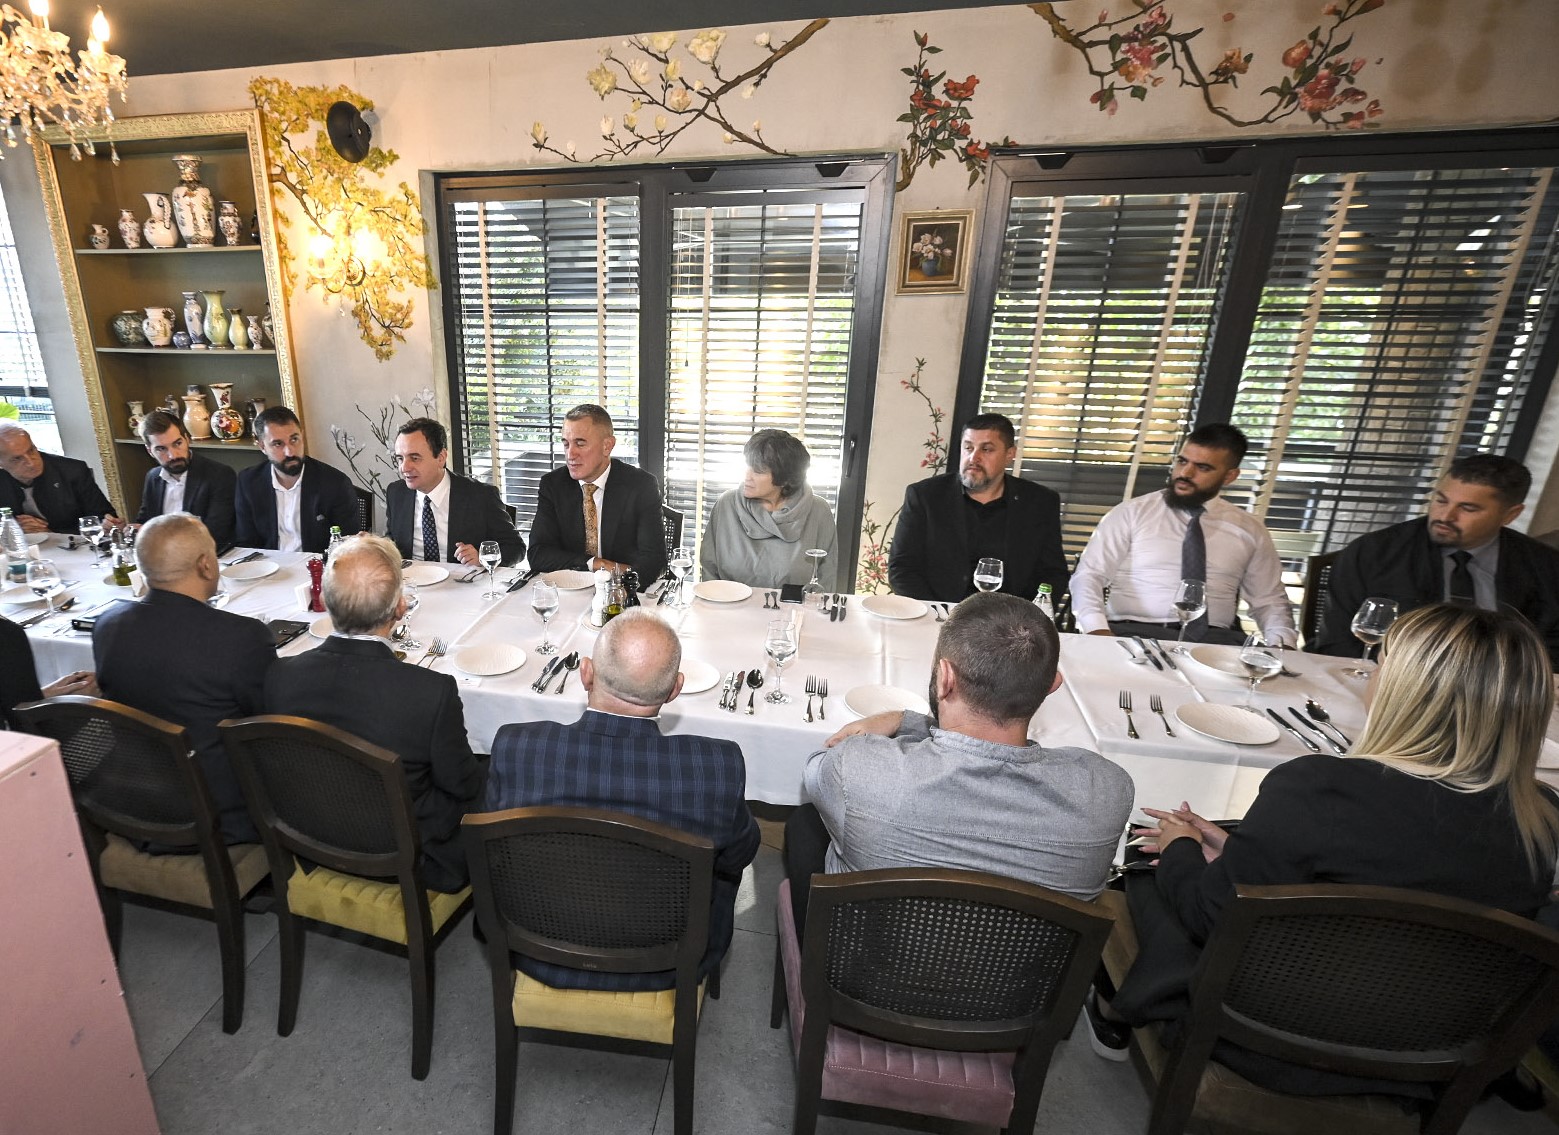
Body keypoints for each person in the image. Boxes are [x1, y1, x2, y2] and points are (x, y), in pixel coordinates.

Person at [1088, 604, 1559, 1096]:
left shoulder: (1319, 787)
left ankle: (1114, 1005)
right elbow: (1398, 875)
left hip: (1268, 1038)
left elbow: (1209, 915)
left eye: (1382, 667)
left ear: (1405, 692)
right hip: (1427, 1055)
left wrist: (1180, 846)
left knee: (1149, 871)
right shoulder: (1542, 819)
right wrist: (1241, 851)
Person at [785, 592, 1134, 932]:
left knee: (806, 823)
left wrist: (904, 722)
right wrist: (908, 721)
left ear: (945, 678)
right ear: (1052, 685)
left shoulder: (858, 769)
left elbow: (820, 764)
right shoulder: (1107, 791)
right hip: (1024, 971)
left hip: (868, 965)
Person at [486, 608, 759, 989]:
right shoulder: (714, 767)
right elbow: (739, 855)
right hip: (668, 964)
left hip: (539, 951)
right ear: (675, 689)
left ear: (586, 673)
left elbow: (495, 850)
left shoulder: (517, 748)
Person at [263, 534, 488, 893]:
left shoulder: (279, 675)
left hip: (312, 837)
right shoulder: (429, 692)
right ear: (400, 607)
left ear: (324, 601)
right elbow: (463, 786)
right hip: (410, 855)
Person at [92, 514, 275, 843]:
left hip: (137, 803)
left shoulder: (107, 624)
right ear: (206, 565)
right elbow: (268, 722)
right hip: (223, 816)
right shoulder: (241, 636)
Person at [1314, 454, 1559, 667]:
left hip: (1500, 691)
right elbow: (1337, 642)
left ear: (1510, 514)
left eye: (1468, 508)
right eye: (1441, 500)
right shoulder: (1375, 552)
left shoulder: (1545, 567)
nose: (1446, 516)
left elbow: (1552, 648)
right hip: (1392, 682)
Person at [1069, 423, 1295, 645]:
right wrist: (1097, 630)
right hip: (1132, 633)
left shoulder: (1250, 530)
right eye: (1182, 461)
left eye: (1203, 468)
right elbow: (1089, 576)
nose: (1185, 473)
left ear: (1230, 476)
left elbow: (1269, 600)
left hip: (1216, 643)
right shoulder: (1131, 513)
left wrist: (1283, 646)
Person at [887, 413, 1067, 603]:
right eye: (968, 448)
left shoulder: (1040, 502)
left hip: (1010, 616)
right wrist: (936, 612)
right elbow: (902, 568)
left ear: (1009, 454)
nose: (974, 458)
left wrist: (1023, 615)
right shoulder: (926, 496)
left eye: (986, 449)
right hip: (938, 613)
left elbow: (1053, 574)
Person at [526, 404, 668, 582]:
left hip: (624, 590)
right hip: (570, 588)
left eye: (580, 443)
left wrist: (621, 584)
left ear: (607, 446)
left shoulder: (640, 485)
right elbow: (537, 554)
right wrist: (596, 564)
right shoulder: (553, 485)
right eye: (566, 444)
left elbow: (655, 561)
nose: (570, 454)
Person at [699, 428, 839, 590]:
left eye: (758, 471)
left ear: (785, 479)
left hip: (795, 606)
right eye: (747, 466)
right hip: (727, 603)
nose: (747, 476)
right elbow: (709, 570)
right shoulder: (727, 504)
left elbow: (826, 578)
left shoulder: (818, 510)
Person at [385, 417, 523, 568]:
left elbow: (516, 547)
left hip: (463, 580)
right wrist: (375, 545)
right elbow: (393, 542)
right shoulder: (396, 493)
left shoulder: (481, 496)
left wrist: (482, 558)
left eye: (415, 458)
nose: (404, 468)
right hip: (412, 580)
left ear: (441, 458)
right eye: (400, 458)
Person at [233, 406, 361, 553]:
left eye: (294, 439)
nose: (290, 452)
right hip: (267, 564)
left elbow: (348, 546)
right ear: (262, 446)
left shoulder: (335, 484)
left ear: (302, 435)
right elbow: (246, 543)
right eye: (278, 444)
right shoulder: (248, 482)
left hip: (318, 564)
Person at [133, 410, 237, 550]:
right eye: (161, 449)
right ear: (150, 451)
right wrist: (131, 529)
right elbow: (145, 523)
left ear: (187, 439)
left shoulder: (219, 475)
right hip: (161, 556)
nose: (173, 455)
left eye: (177, 443)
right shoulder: (153, 477)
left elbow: (215, 534)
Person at [0, 420, 119, 534]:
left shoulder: (72, 471)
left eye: (31, 450)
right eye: (17, 458)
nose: (31, 463)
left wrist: (51, 532)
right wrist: (14, 529)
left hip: (71, 543)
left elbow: (103, 517)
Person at [1, 615, 95, 729]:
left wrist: (38, 696)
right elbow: (27, 727)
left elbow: (13, 706)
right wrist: (80, 704)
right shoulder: (6, 634)